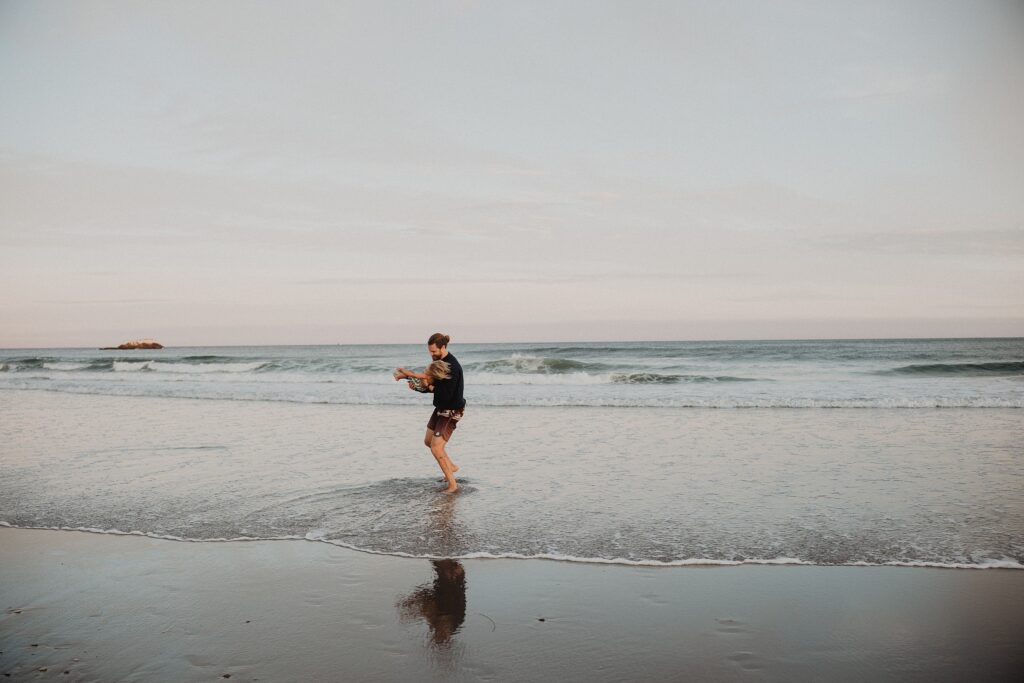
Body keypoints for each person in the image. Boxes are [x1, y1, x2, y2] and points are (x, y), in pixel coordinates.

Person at [394, 332, 465, 493]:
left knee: (436, 448)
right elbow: (433, 385)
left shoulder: (451, 367)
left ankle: (452, 485)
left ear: (443, 347)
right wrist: (419, 387)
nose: (432, 355)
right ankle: (451, 466)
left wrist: (426, 385)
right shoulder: (440, 362)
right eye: (430, 352)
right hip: (440, 408)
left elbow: (444, 393)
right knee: (428, 441)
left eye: (434, 352)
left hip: (451, 410)